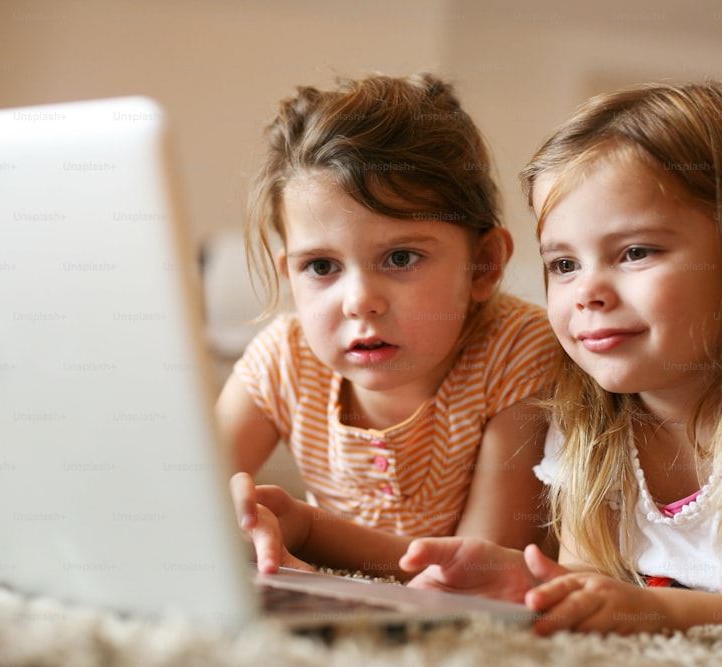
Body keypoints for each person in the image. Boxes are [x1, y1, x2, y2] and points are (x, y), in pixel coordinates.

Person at [399, 81, 722, 640]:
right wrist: (535, 585)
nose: (587, 292)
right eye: (563, 265)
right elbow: (593, 578)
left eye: (635, 252)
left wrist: (660, 613)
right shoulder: (586, 406)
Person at [218, 73, 561, 578]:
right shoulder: (283, 359)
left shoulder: (518, 350)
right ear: (287, 273)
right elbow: (184, 501)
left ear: (483, 266)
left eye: (400, 257)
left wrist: (306, 528)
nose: (360, 302)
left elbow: (471, 567)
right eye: (320, 267)